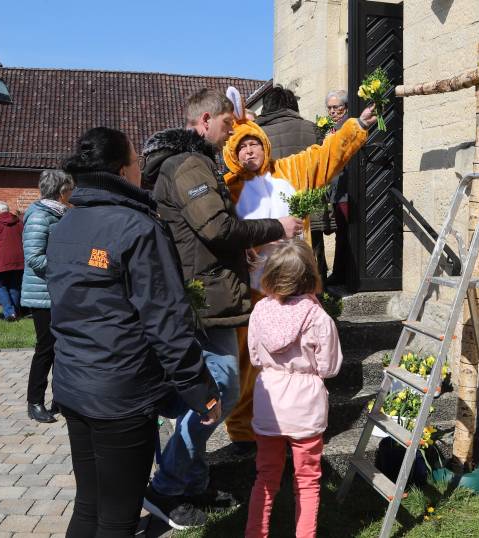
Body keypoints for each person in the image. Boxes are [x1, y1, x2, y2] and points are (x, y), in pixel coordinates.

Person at [46, 127, 221, 538]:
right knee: (117, 518)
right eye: (136, 160)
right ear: (123, 169)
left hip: (73, 385)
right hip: (120, 397)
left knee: (89, 505)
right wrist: (201, 390)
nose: (141, 167)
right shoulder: (137, 227)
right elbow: (166, 320)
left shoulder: (66, 223)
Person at [141, 88, 303, 530]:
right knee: (220, 393)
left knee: (212, 393)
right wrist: (278, 227)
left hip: (210, 293)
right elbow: (215, 227)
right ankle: (167, 486)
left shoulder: (189, 163)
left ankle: (190, 480)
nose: (235, 132)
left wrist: (240, 253)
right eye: (230, 124)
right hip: (205, 300)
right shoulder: (189, 164)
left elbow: (206, 233)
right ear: (206, 119)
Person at [222, 97, 375, 456]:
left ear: (264, 144)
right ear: (231, 153)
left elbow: (326, 155)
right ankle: (245, 429)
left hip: (296, 285)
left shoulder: (291, 171)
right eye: (240, 147)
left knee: (302, 357)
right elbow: (218, 230)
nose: (248, 152)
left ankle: (302, 422)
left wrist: (357, 127)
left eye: (253, 144)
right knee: (250, 359)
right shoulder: (227, 188)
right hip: (253, 289)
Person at [245, 239, 343, 538]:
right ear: (309, 275)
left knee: (265, 477)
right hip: (305, 409)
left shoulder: (260, 310)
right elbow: (329, 367)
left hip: (269, 405)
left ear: (271, 274)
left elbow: (254, 356)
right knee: (308, 481)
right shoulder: (319, 317)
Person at [255, 85, 328, 281]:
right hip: (309, 206)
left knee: (276, 261)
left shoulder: (257, 134)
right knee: (313, 258)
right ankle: (320, 302)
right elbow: (324, 167)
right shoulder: (312, 129)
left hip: (273, 210)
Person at [21, 169, 74, 424]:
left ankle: (60, 398)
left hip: (59, 291)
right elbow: (34, 258)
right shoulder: (40, 216)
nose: (72, 193)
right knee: (46, 348)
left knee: (62, 347)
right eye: (70, 189)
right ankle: (35, 401)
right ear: (61, 191)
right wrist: (66, 264)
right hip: (42, 294)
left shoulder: (61, 214)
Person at [324, 90, 351, 286]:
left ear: (345, 108)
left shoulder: (346, 127)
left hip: (346, 189)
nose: (332, 112)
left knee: (344, 233)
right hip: (336, 189)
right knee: (339, 231)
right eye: (330, 108)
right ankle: (339, 272)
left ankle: (342, 274)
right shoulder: (332, 128)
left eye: (336, 108)